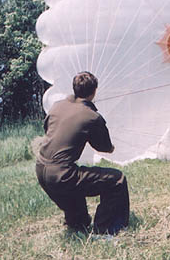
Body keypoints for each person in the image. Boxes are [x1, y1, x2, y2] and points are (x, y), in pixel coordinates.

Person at [36, 71, 129, 235]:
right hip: (63, 175)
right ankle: (105, 230)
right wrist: (112, 147)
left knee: (80, 222)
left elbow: (48, 129)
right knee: (117, 180)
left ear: (74, 88)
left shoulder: (57, 105)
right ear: (94, 91)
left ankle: (77, 223)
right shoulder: (92, 117)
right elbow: (104, 147)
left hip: (41, 170)